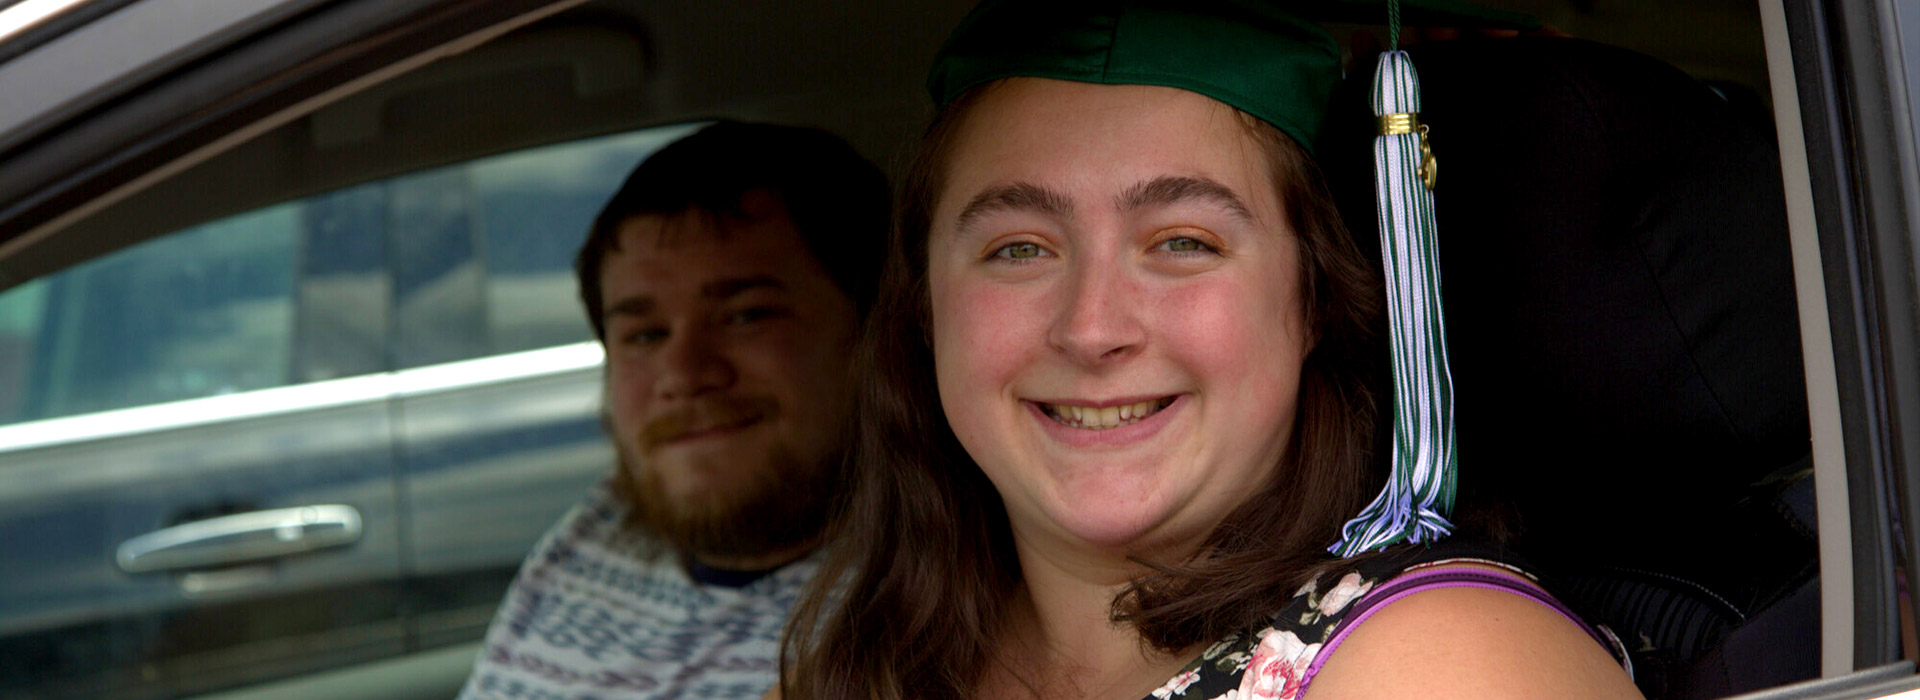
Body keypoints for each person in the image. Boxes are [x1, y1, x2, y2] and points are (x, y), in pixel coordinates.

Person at [776, 2, 1643, 699]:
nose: (1091, 328)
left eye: (1183, 242)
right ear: (924, 308)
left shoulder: (1442, 666)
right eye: (1019, 249)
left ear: (1312, 299)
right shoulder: (864, 668)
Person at [460, 121, 886, 700]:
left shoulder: (921, 615)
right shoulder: (601, 533)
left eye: (747, 315)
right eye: (643, 335)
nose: (684, 376)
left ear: (878, 335)